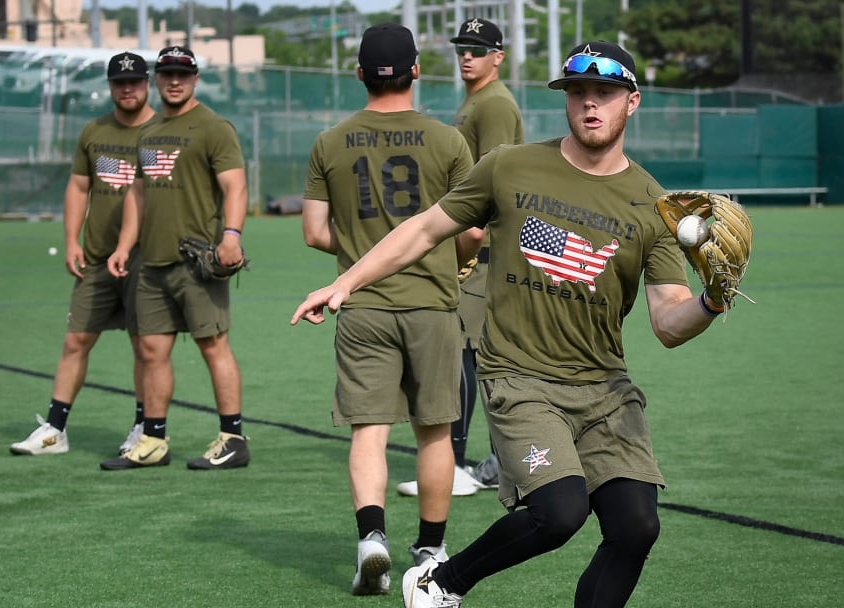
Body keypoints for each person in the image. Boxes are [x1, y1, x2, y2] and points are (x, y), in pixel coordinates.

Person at [292, 41, 726, 608]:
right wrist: (346, 282)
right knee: (559, 511)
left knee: (636, 526)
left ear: (632, 101)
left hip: (605, 390)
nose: (590, 106)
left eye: (605, 93)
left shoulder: (653, 205)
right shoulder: (511, 165)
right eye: (577, 94)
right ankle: (439, 583)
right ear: (565, 102)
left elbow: (668, 320)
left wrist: (713, 299)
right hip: (521, 380)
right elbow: (424, 230)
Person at [296, 23, 476, 596]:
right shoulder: (447, 141)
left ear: (359, 74)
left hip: (363, 303)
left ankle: (372, 538)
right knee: (435, 432)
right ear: (416, 70)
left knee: (368, 432)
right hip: (432, 304)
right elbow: (470, 229)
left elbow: (314, 232)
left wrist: (358, 253)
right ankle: (430, 548)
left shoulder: (329, 142)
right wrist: (454, 254)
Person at [100, 45, 251, 472]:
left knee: (212, 345)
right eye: (166, 73)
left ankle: (233, 438)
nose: (174, 80)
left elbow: (235, 187)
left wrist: (231, 236)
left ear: (195, 78)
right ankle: (154, 439)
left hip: (197, 258)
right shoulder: (149, 132)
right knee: (151, 349)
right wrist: (124, 246)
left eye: (182, 74)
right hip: (153, 262)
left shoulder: (212, 127)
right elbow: (139, 193)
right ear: (156, 79)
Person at [396, 16, 524, 499]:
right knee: (470, 354)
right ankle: (485, 460)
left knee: (467, 354)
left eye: (478, 48)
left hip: (483, 248)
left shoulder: (492, 104)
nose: (467, 55)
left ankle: (464, 464)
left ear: (498, 56)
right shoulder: (478, 99)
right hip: (474, 242)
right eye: (462, 48)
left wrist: (471, 245)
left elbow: (495, 178)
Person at [10, 51, 157, 458]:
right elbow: (78, 188)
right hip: (97, 256)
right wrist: (72, 241)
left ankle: (144, 427)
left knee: (145, 346)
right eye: (119, 83)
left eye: (135, 81)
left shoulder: (164, 132)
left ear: (147, 84)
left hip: (147, 260)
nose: (127, 89)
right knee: (76, 339)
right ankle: (55, 430)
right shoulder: (94, 132)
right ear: (110, 87)